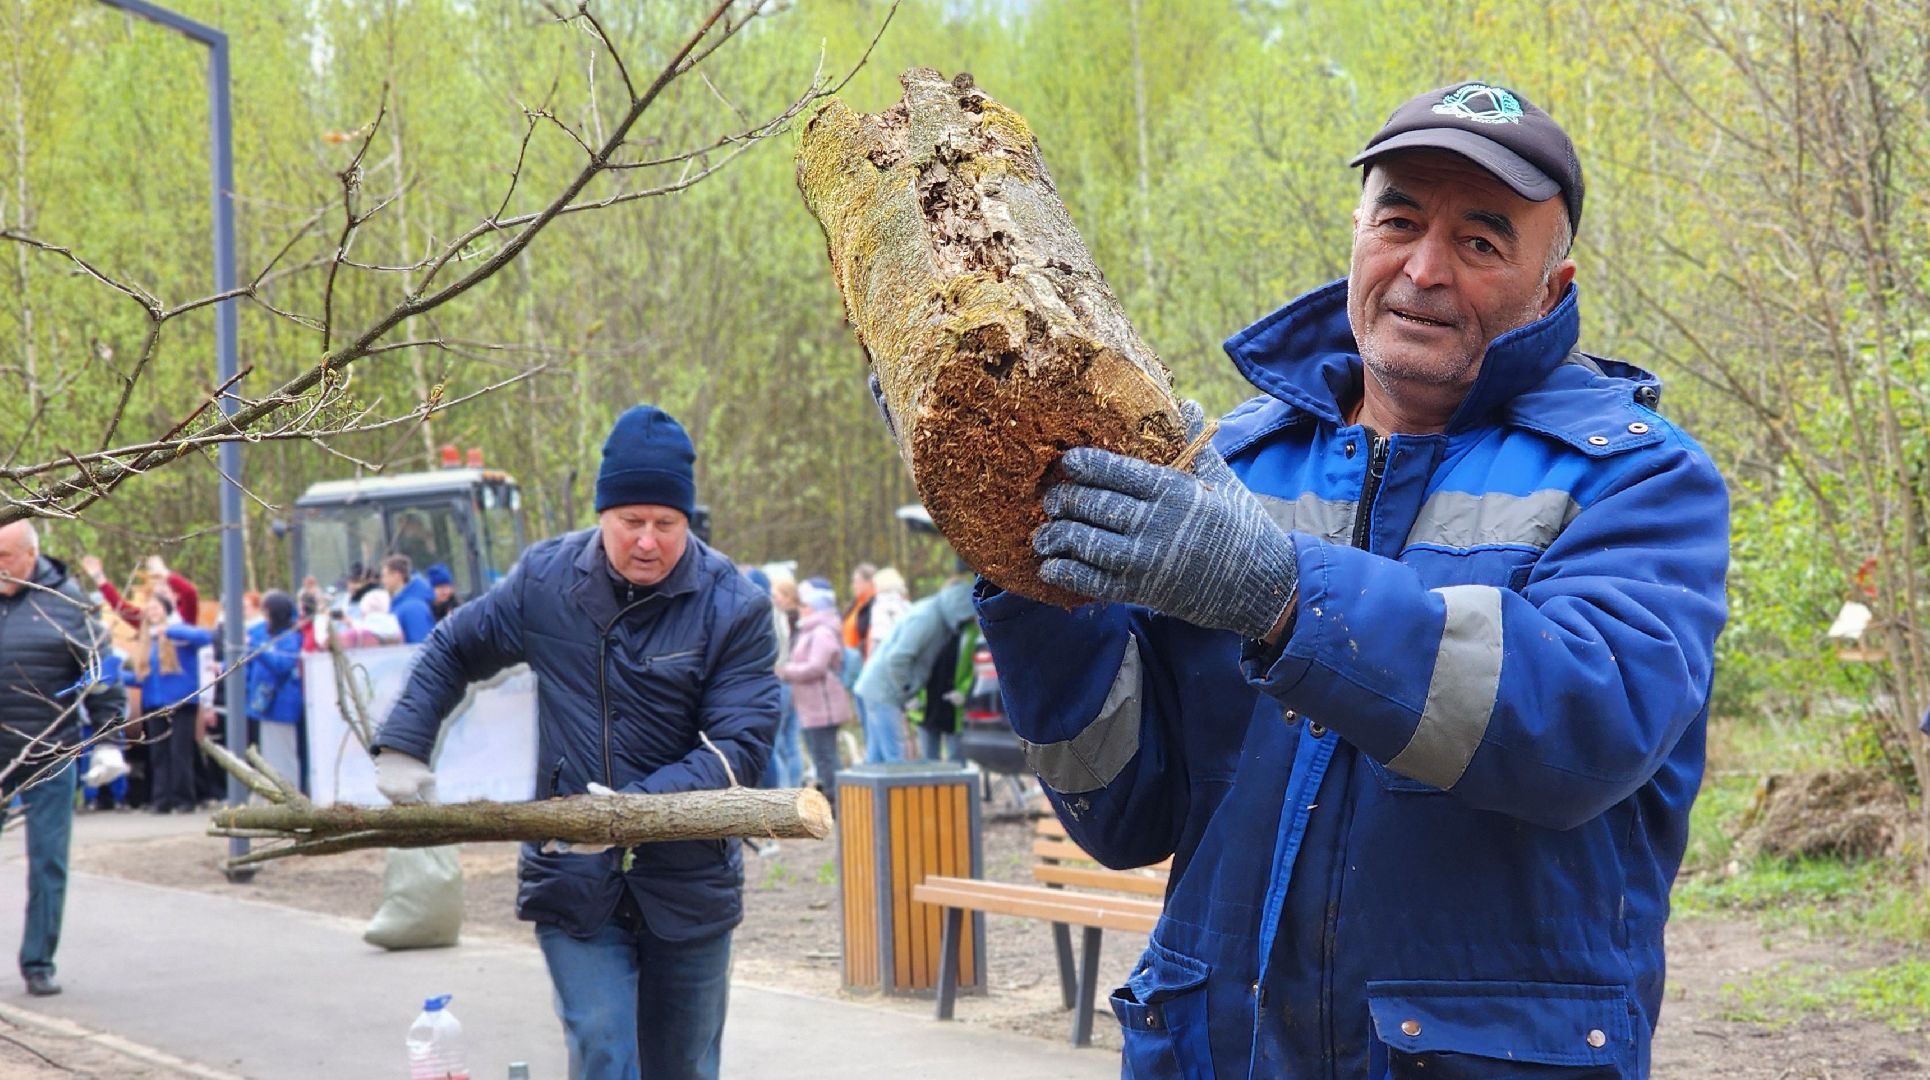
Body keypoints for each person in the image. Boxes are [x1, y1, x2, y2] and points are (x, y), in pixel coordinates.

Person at [957, 82, 1729, 1075]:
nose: (1424, 269)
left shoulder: (1640, 479)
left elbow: (1587, 725)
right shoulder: (1230, 466)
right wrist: (1021, 559)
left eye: (1480, 242)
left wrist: (1285, 597)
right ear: (1357, 234)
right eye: (1398, 222)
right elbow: (1122, 812)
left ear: (1553, 287)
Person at [371, 404, 778, 1080]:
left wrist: (624, 813)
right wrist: (404, 742)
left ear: (688, 521)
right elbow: (455, 645)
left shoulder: (734, 606)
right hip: (572, 875)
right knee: (604, 1047)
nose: (647, 541)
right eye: (631, 522)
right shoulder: (547, 582)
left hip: (689, 881)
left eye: (666, 525)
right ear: (602, 514)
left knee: (682, 1066)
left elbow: (739, 750)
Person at [0, 520, 128, 996]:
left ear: (31, 555)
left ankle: (38, 962)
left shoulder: (68, 604)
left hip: (51, 751)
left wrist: (110, 739)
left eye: (6, 556)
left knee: (48, 860)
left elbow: (103, 674)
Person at [852, 576, 975, 764]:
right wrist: (907, 690)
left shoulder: (934, 613)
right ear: (960, 607)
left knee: (876, 760)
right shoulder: (927, 618)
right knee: (894, 760)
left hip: (874, 688)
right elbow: (898, 658)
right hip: (883, 692)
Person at [120, 593, 215, 814]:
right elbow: (142, 678)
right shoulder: (147, 641)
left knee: (180, 752)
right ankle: (161, 799)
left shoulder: (178, 633)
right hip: (154, 703)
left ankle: (184, 799)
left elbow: (204, 637)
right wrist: (117, 676)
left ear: (166, 610)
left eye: (156, 608)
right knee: (158, 754)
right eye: (149, 609)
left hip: (181, 702)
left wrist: (168, 631)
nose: (152, 613)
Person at [778, 577, 853, 811]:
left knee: (826, 757)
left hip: (823, 707)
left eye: (804, 605)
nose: (800, 608)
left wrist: (785, 671)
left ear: (815, 606)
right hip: (811, 706)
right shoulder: (810, 629)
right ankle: (835, 801)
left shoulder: (821, 631)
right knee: (821, 757)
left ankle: (839, 804)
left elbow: (816, 667)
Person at [244, 590, 305, 791]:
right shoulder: (269, 634)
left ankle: (289, 793)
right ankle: (276, 792)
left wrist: (257, 649)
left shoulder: (290, 637)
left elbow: (282, 665)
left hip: (282, 705)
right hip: (267, 704)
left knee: (284, 756)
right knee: (270, 755)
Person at [78, 553, 199, 628]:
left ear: (176, 596)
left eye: (164, 593)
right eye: (157, 594)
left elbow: (189, 592)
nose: (160, 599)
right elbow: (120, 606)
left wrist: (163, 572)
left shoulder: (184, 617)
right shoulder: (149, 619)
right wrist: (98, 577)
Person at [381, 554, 435, 644]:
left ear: (397, 575)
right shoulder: (400, 604)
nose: (383, 581)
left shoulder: (413, 607)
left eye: (385, 576)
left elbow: (420, 643)